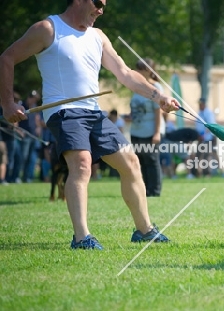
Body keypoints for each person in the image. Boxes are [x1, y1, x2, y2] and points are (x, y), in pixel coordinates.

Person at [0, 0, 180, 250]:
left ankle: (144, 230)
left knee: (130, 162)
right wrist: (8, 104)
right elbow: (7, 58)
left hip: (93, 113)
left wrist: (158, 97)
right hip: (63, 111)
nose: (101, 10)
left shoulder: (98, 36)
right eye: (98, 3)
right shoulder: (48, 29)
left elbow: (125, 74)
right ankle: (82, 237)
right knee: (82, 165)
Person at [129, 58, 165, 197]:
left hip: (150, 131)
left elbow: (157, 112)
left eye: (140, 69)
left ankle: (154, 191)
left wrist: (156, 133)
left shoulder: (156, 88)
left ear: (148, 71)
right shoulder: (136, 86)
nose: (137, 71)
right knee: (140, 161)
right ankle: (144, 190)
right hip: (136, 130)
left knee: (151, 160)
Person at [17, 90, 42, 183]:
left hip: (33, 136)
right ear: (29, 97)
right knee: (23, 157)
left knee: (32, 158)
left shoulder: (34, 107)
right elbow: (16, 119)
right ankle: (17, 177)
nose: (34, 101)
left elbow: (37, 118)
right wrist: (18, 129)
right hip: (25, 134)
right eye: (34, 99)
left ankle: (28, 177)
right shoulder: (21, 106)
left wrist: (38, 127)